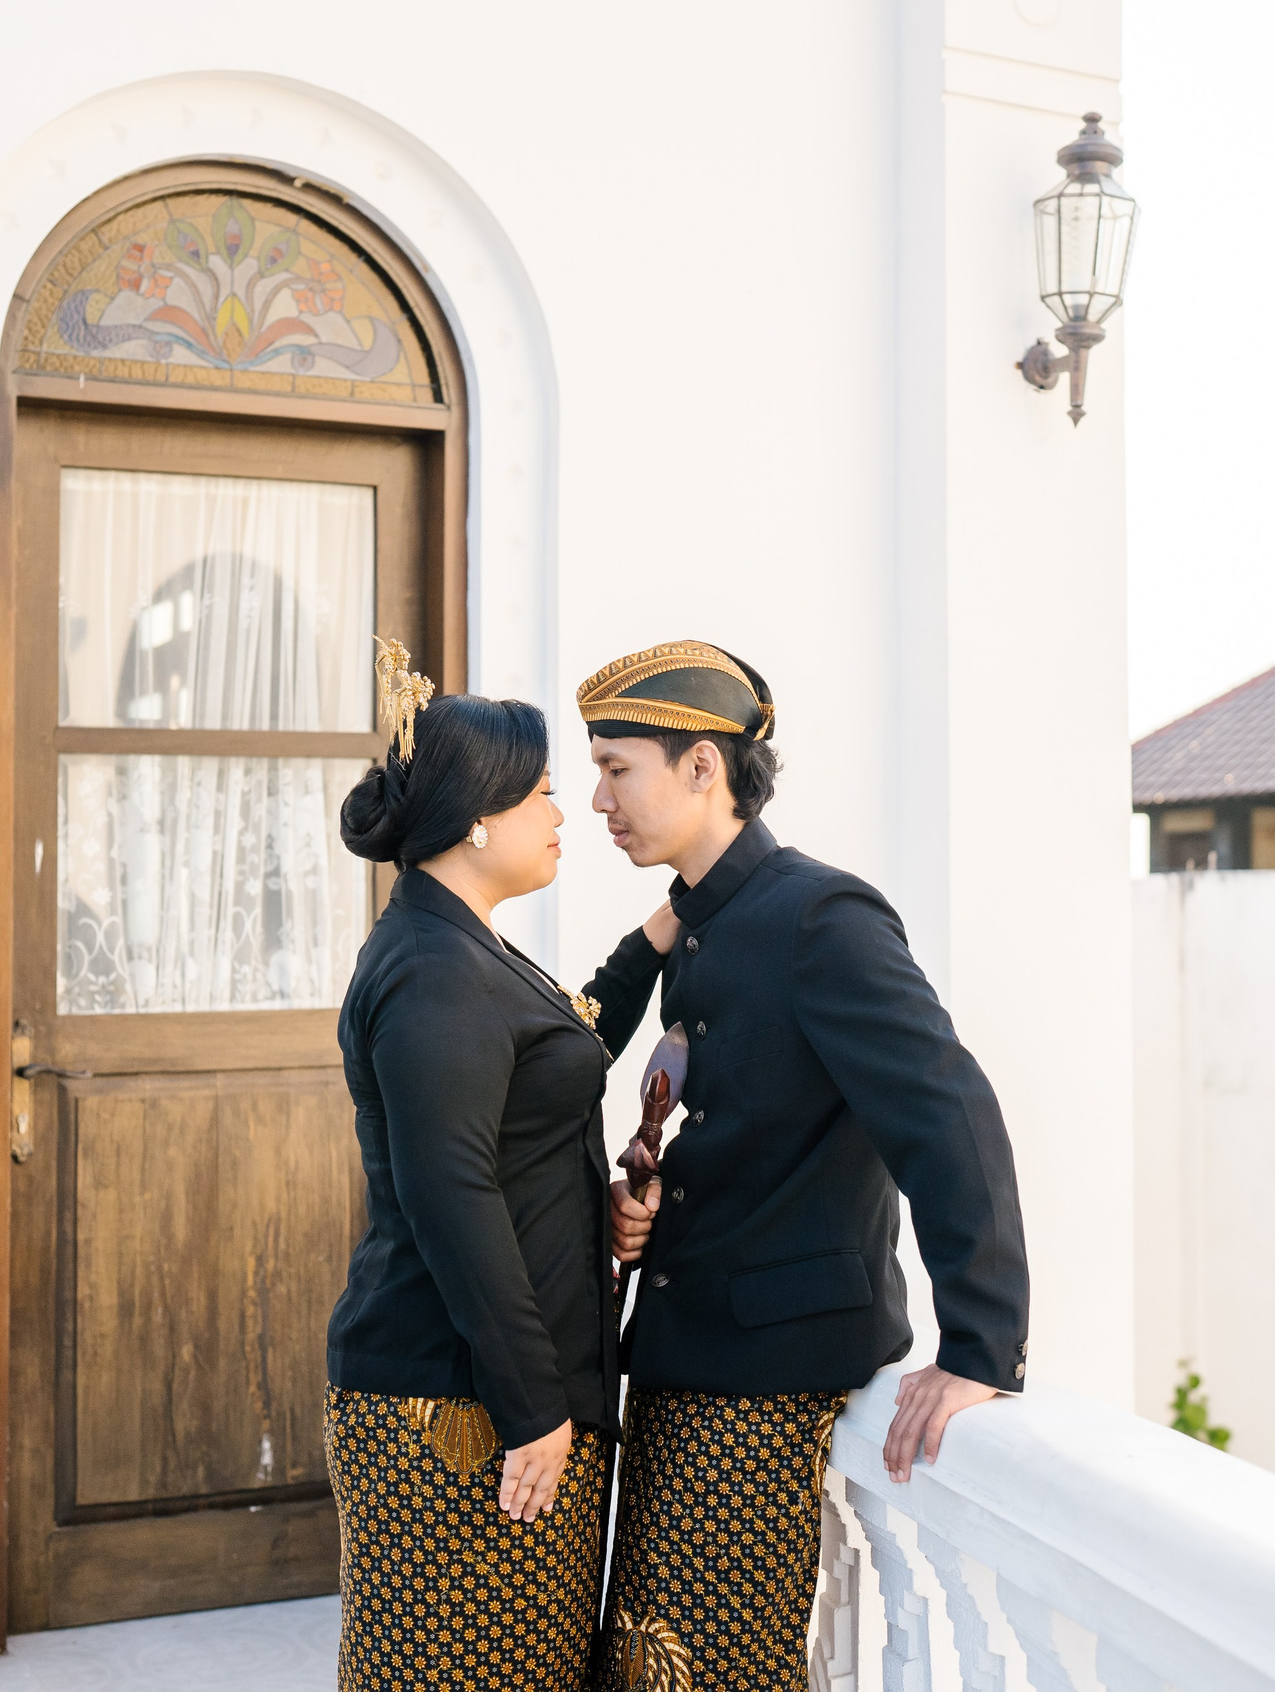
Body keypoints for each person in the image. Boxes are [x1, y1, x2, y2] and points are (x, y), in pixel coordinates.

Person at [576, 639, 1030, 1692]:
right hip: (691, 1355)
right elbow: (740, 1125)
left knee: (703, 1671)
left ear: (702, 768)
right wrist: (651, 1205)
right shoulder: (705, 922)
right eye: (595, 771)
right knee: (649, 1665)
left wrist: (982, 1341)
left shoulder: (818, 914)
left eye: (617, 767)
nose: (601, 797)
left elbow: (946, 1113)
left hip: (769, 1375)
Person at [323, 641, 670, 1691]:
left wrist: (663, 927)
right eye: (547, 795)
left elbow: (568, 1044)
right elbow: (452, 1194)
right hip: (461, 1410)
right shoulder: (432, 970)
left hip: (503, 1396)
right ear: (479, 816)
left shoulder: (465, 942)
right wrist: (531, 1407)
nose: (567, 814)